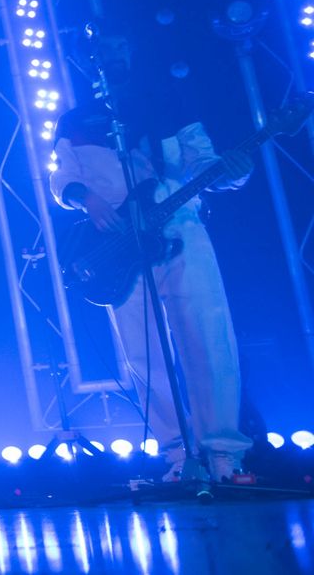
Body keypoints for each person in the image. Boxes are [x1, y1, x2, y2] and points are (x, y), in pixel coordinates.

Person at [49, 84, 254, 482]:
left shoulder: (168, 104)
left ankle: (224, 455)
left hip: (182, 230)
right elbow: (63, 177)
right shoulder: (75, 121)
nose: (114, 55)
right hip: (118, 244)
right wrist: (87, 199)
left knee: (208, 338)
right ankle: (178, 454)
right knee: (143, 353)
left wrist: (233, 174)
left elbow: (206, 166)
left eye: (119, 45)